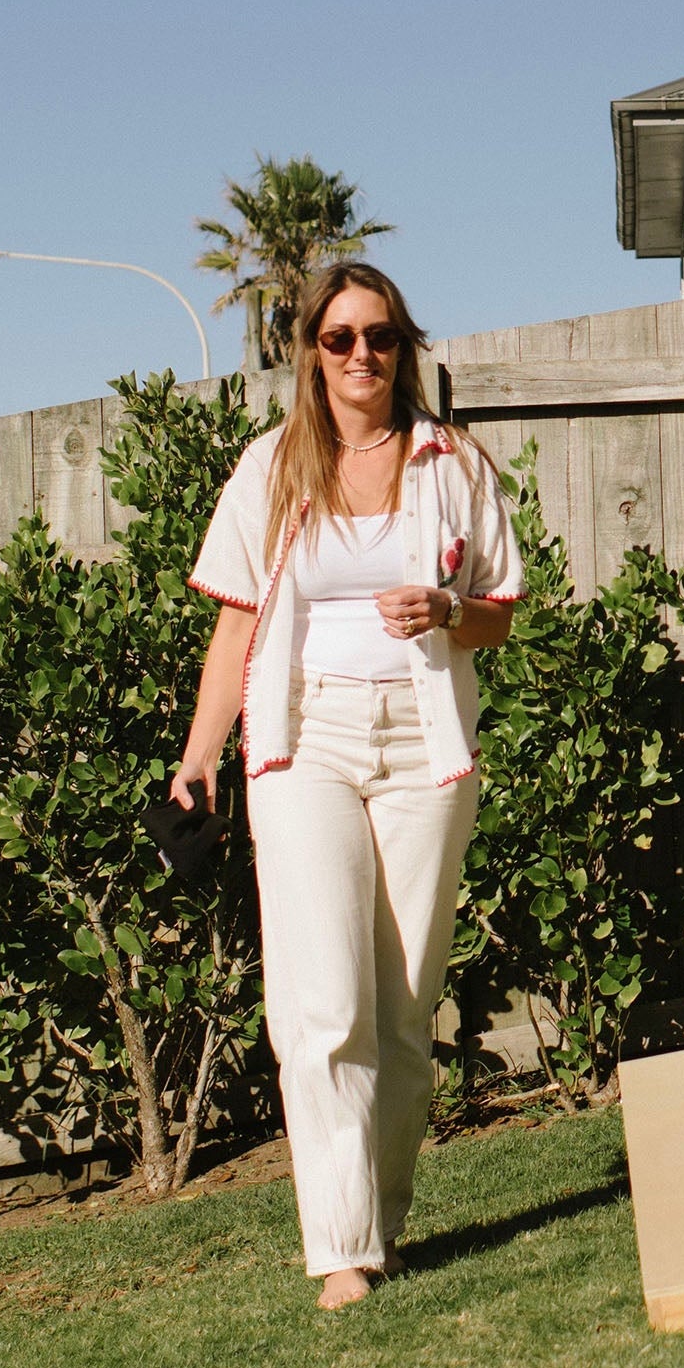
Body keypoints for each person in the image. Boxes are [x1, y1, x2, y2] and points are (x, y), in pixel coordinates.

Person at [171, 261, 522, 1309]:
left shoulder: (454, 464)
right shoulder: (270, 467)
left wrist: (447, 611)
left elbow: (500, 615)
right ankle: (342, 1254)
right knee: (323, 1003)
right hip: (305, 740)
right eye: (339, 338)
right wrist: (199, 755)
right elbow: (237, 623)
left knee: (404, 1007)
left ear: (403, 347)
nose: (361, 354)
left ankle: (382, 1221)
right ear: (311, 354)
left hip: (423, 742)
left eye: (379, 336)